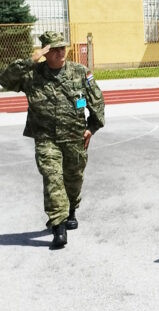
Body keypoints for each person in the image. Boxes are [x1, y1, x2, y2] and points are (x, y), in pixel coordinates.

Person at [0, 31, 105, 250]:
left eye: (62, 48)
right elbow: (5, 79)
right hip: (45, 137)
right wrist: (31, 59)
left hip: (75, 136)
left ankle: (71, 210)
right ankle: (58, 226)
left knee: (73, 177)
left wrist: (92, 127)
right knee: (52, 177)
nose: (60, 52)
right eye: (54, 49)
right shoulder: (31, 75)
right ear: (46, 52)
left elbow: (96, 99)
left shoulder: (79, 71)